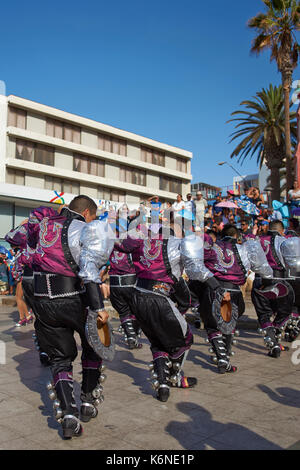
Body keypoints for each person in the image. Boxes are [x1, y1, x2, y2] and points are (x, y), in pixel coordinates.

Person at [26, 196, 113, 439]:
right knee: (94, 346)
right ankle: (86, 402)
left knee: (59, 359)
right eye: (93, 217)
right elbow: (89, 271)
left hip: (42, 298)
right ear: (87, 213)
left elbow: (17, 240)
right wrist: (99, 307)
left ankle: (69, 416)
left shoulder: (42, 224)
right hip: (74, 297)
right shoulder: (85, 229)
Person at [114, 212, 214, 403]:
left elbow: (120, 243)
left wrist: (135, 224)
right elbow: (197, 267)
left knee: (158, 341)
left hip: (137, 296)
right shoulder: (178, 244)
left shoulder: (141, 242)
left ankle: (162, 384)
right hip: (158, 298)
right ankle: (172, 377)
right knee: (185, 339)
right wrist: (214, 285)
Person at [194, 224, 272, 374]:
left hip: (215, 290)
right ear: (236, 236)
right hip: (234, 292)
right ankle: (226, 355)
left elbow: (198, 266)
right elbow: (261, 268)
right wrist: (267, 283)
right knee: (229, 322)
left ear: (221, 235)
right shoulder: (244, 248)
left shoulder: (212, 247)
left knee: (212, 326)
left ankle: (222, 358)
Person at [251, 220, 296, 356]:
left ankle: (274, 343)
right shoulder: (285, 240)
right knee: (284, 311)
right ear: (281, 230)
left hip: (260, 281)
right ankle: (274, 339)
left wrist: (253, 234)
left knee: (264, 315)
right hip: (279, 281)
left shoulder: (257, 240)